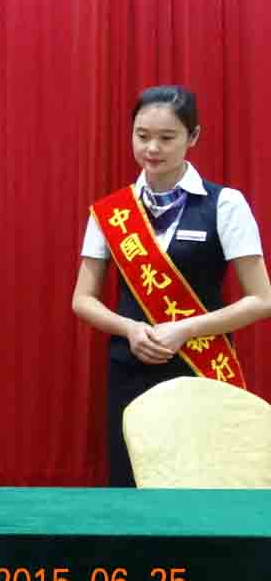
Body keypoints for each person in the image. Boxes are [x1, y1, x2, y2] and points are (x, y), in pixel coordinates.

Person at [72, 84, 271, 487]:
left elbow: (261, 299)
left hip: (200, 363)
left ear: (193, 137)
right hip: (132, 364)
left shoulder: (224, 204)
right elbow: (83, 300)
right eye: (142, 135)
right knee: (132, 481)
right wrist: (131, 329)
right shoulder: (112, 212)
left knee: (204, 480)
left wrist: (185, 329)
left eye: (167, 137)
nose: (152, 148)